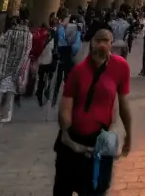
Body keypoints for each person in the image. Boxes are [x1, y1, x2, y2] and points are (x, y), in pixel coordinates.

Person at [55, 26, 132, 196]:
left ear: (111, 44)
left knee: (97, 189)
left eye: (106, 41)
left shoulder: (120, 67)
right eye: (98, 41)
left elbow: (124, 104)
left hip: (100, 140)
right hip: (73, 140)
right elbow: (65, 106)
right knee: (63, 187)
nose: (102, 45)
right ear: (91, 43)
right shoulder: (78, 71)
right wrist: (68, 138)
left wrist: (129, 136)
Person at [0, 14, 32, 123]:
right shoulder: (29, 36)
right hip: (17, 70)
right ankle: (6, 115)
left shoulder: (10, 33)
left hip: (6, 67)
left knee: (0, 91)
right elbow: (27, 53)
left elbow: (0, 45)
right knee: (10, 94)